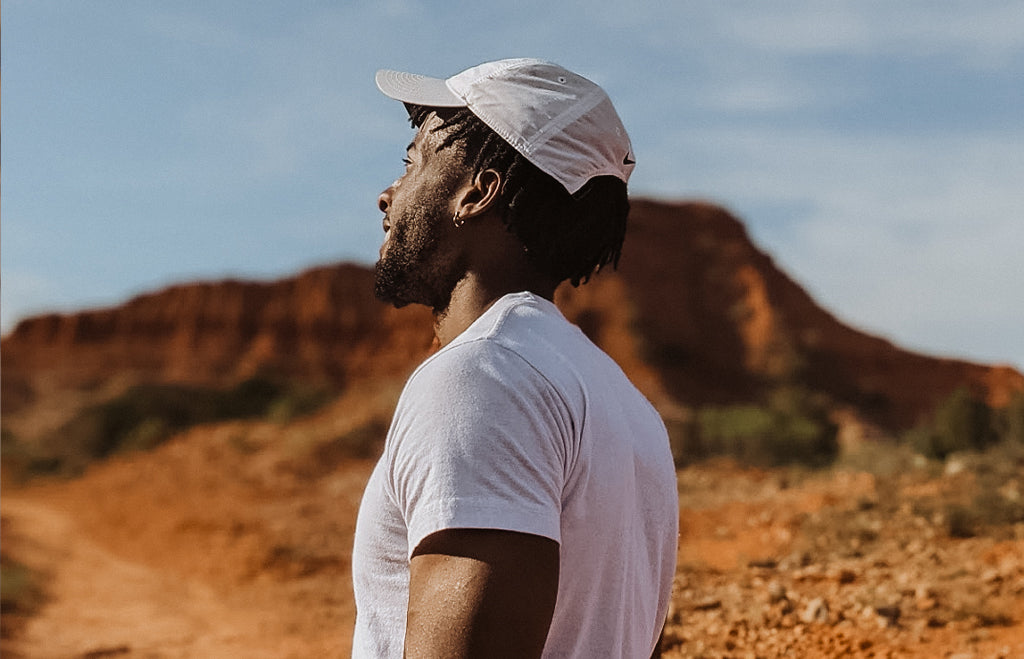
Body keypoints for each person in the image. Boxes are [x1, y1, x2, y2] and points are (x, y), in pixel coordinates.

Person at [351, 58, 679, 658]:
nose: (387, 194)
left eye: (412, 162)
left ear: (477, 193)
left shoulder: (482, 378)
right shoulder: (627, 407)